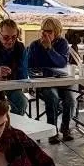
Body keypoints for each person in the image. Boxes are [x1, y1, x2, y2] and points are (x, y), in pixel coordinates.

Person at [26, 16, 76, 144]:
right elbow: (30, 65)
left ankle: (65, 128)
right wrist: (42, 49)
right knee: (52, 96)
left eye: (50, 32)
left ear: (57, 32)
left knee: (70, 99)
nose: (46, 34)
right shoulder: (35, 45)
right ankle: (52, 131)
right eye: (44, 31)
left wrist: (50, 49)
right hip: (45, 82)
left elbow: (61, 63)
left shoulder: (62, 43)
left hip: (62, 81)